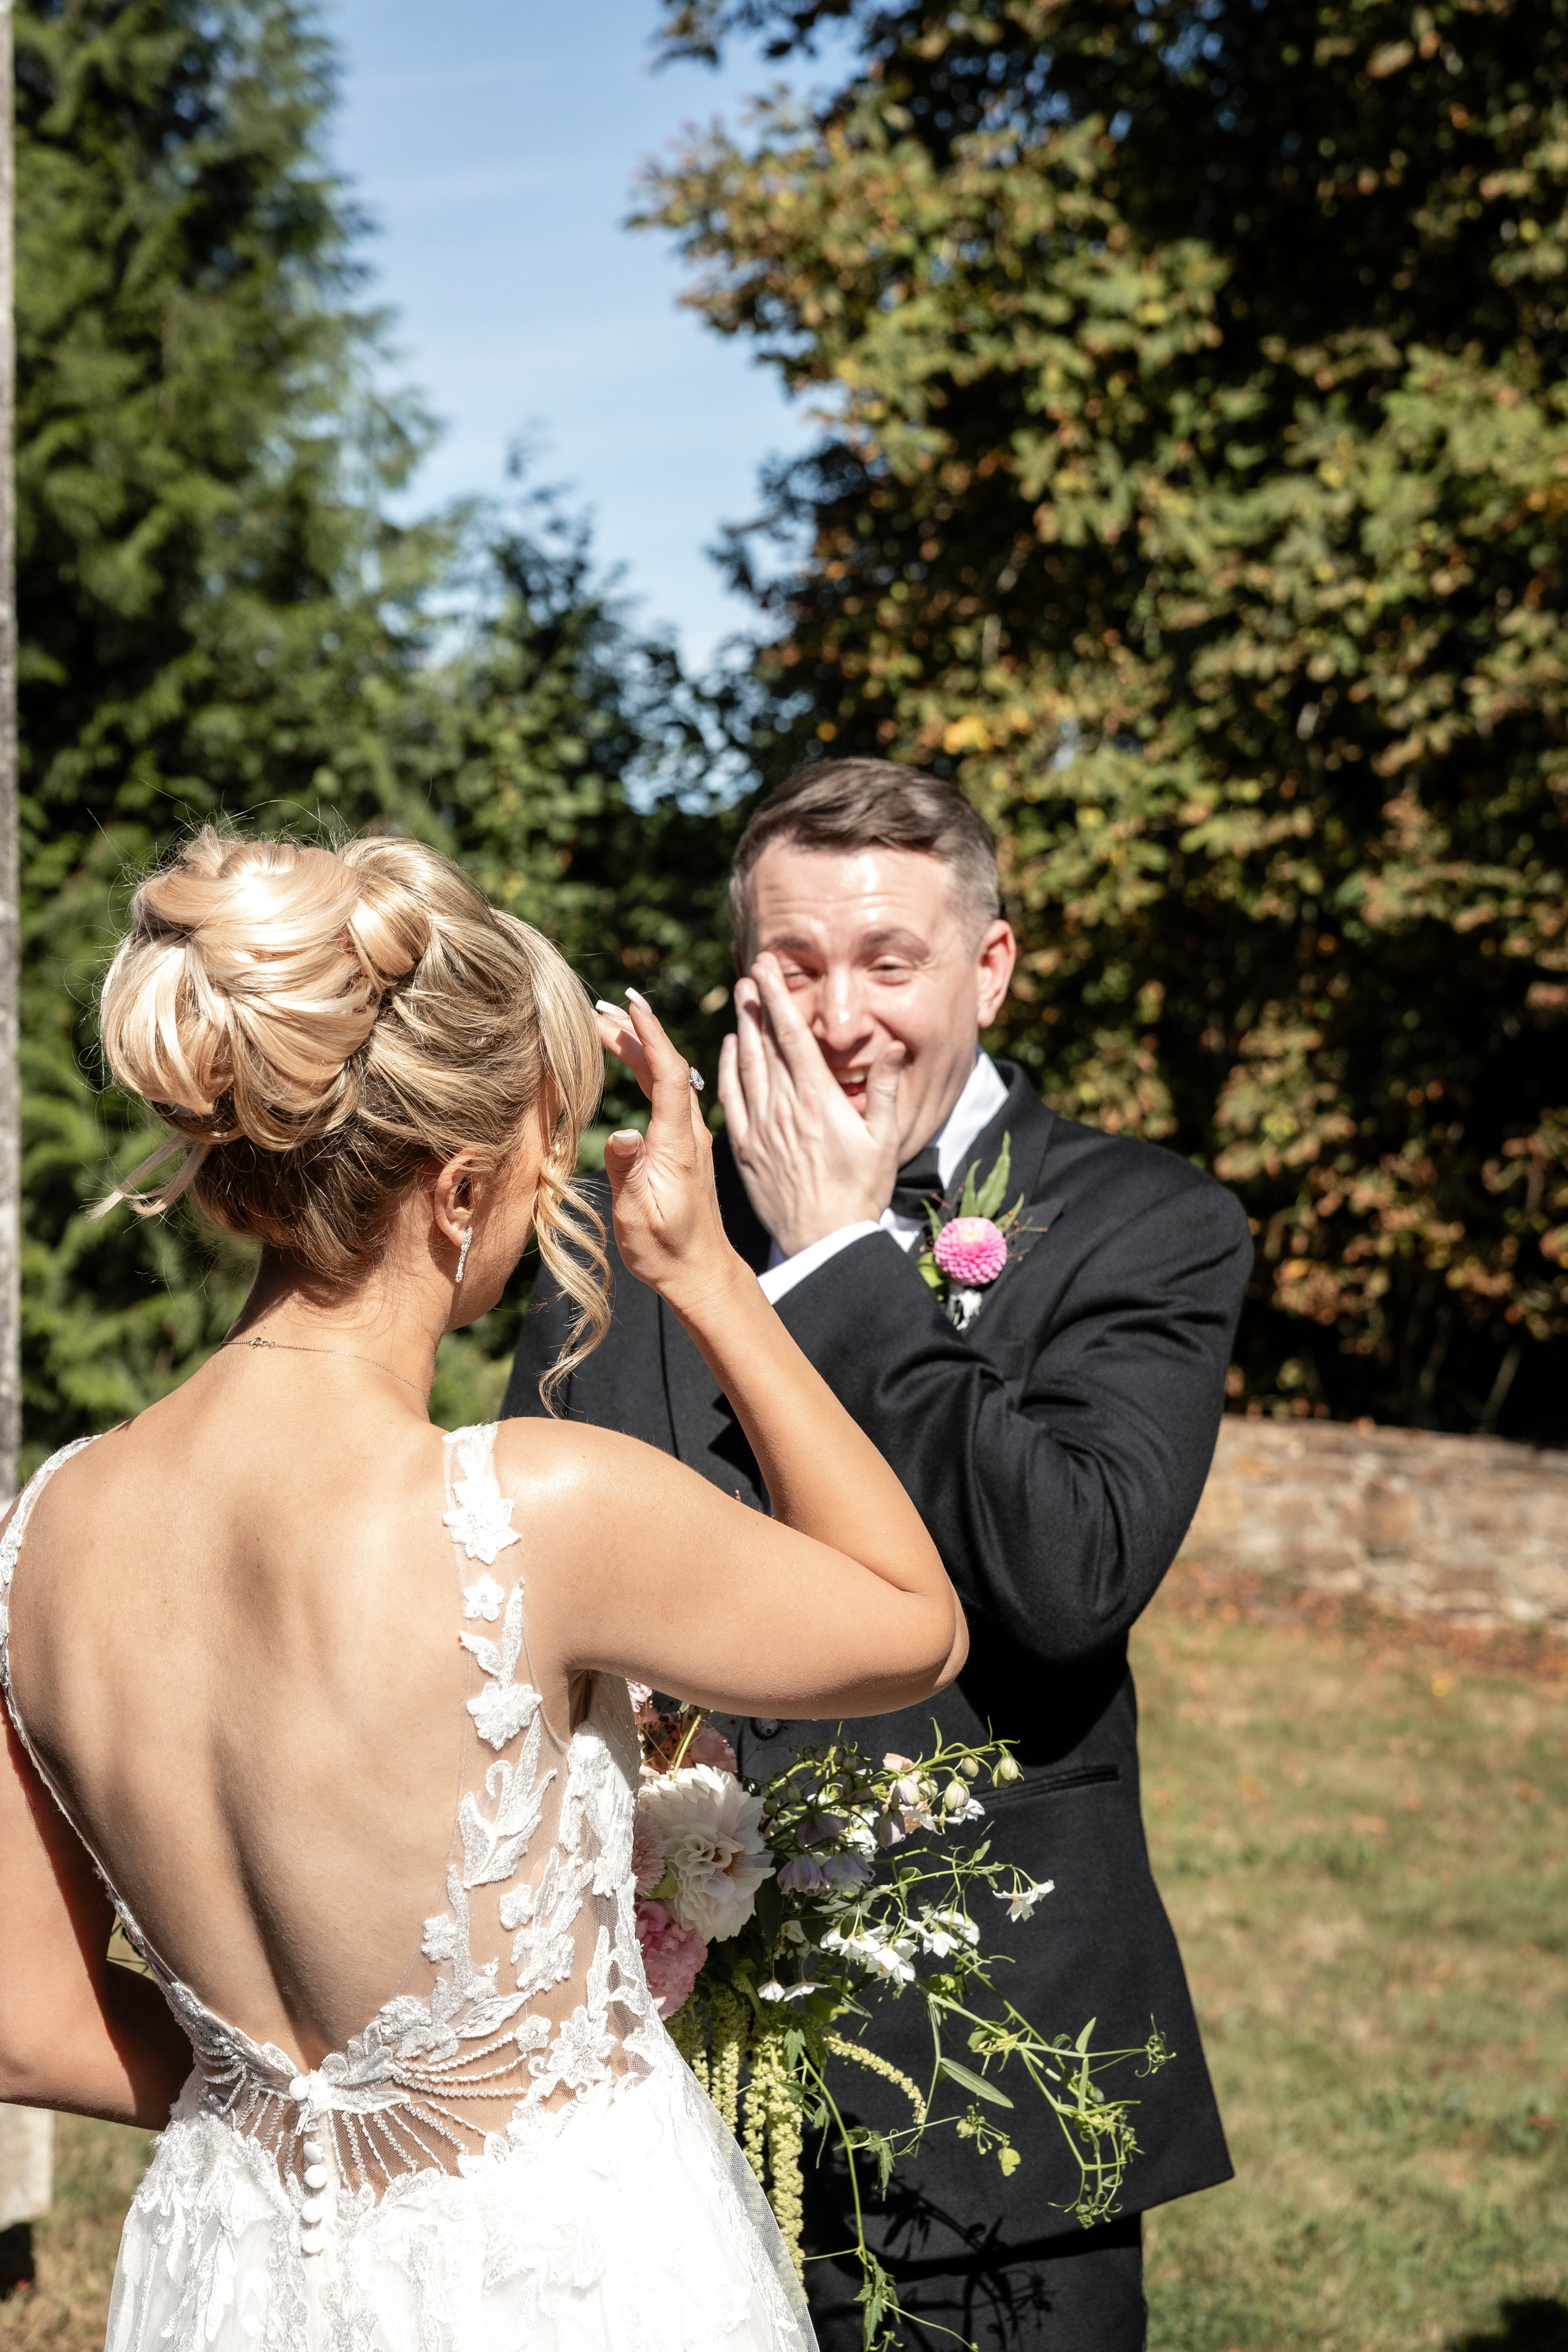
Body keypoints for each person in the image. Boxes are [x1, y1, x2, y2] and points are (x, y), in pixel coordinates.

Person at [0, 826, 967, 2352]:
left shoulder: (48, 1528)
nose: (549, 1199)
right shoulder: (526, 1507)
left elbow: (29, 2021)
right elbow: (912, 1621)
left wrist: (313, 2127)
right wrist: (710, 1276)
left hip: (237, 2274)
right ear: (456, 1189)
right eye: (540, 1159)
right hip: (559, 2280)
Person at [507, 759, 1255, 2352]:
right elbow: (526, 1602)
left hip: (995, 2100)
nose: (839, 1016)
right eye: (793, 965)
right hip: (653, 2104)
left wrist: (849, 1255)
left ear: (988, 968)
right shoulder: (616, 1230)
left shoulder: (1145, 1221)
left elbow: (1067, 1580)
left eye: (888, 963)